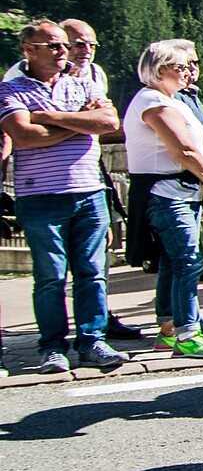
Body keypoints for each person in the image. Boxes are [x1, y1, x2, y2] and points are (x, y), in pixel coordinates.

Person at [0, 19, 125, 373]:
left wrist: (50, 118)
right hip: (40, 195)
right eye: (53, 46)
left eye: (64, 46)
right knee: (51, 276)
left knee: (92, 273)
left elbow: (109, 121)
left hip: (89, 191)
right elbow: (23, 135)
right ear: (29, 50)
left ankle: (93, 341)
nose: (63, 52)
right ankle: (52, 346)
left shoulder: (80, 83)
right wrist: (77, 125)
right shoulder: (10, 90)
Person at [123, 40, 203, 359]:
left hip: (184, 191)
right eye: (179, 66)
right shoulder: (153, 102)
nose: (186, 72)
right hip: (166, 194)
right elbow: (182, 149)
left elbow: (202, 145)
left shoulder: (174, 101)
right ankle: (187, 332)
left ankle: (169, 328)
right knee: (187, 260)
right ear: (159, 70)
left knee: (173, 261)